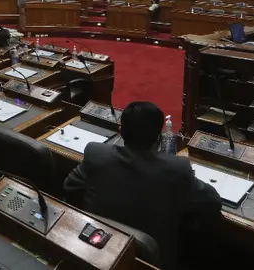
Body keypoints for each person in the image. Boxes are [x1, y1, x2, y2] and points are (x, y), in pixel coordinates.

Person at [64, 101, 220, 270]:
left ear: (120, 131)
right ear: (159, 137)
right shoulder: (176, 169)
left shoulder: (97, 154)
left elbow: (69, 187)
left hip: (98, 251)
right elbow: (213, 202)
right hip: (151, 263)